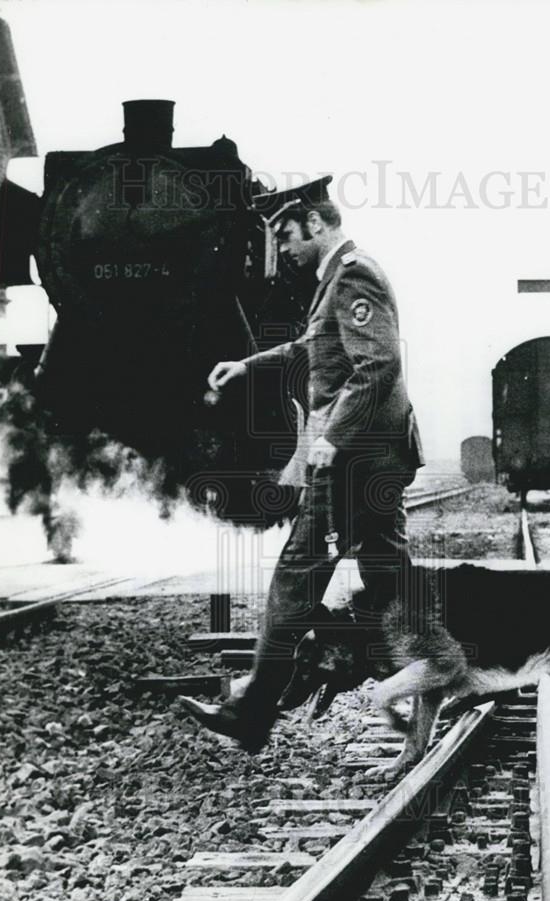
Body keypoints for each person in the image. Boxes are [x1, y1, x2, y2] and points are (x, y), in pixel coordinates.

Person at [186, 175, 424, 751]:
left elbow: (378, 364)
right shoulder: (335, 281)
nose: (285, 248)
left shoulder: (355, 273)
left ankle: (253, 713)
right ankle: (442, 671)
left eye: (288, 234)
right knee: (389, 575)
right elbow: (311, 349)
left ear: (316, 223)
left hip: (356, 459)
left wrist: (333, 437)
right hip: (367, 456)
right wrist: (247, 365)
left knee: (297, 574)